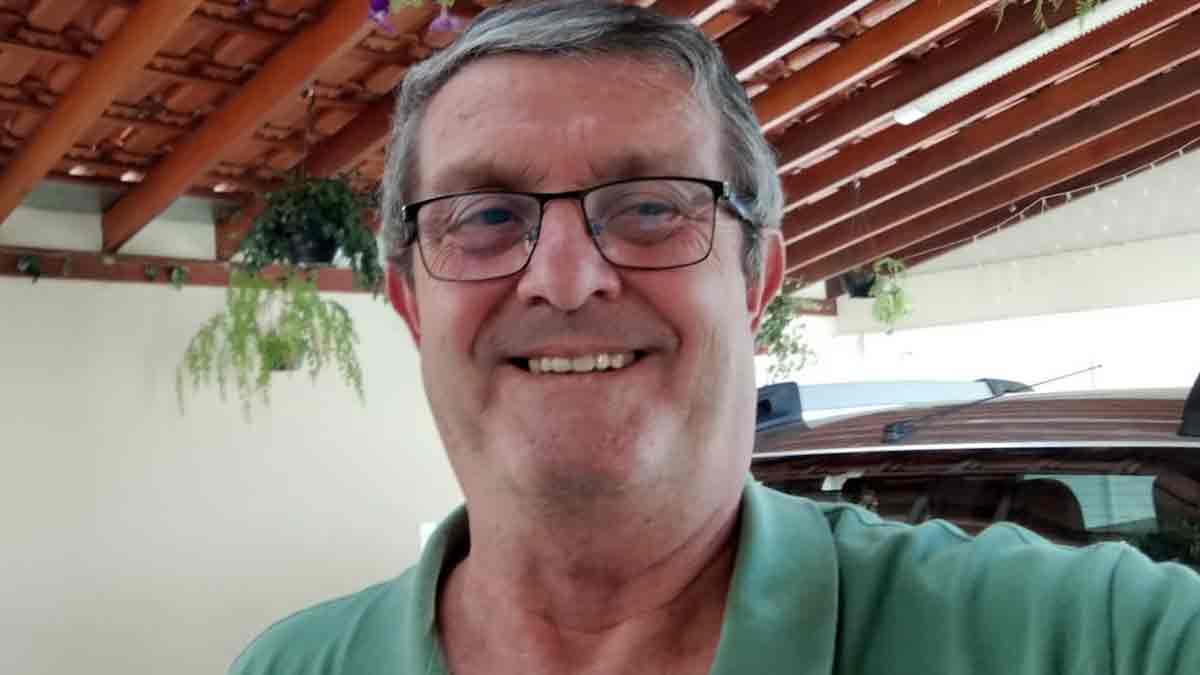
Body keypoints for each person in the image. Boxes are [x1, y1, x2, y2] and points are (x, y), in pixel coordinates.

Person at [229, 2, 1200, 673]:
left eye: (651, 206)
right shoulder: (290, 667)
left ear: (755, 281)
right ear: (410, 303)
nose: (565, 277)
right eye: (484, 217)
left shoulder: (1093, 639)